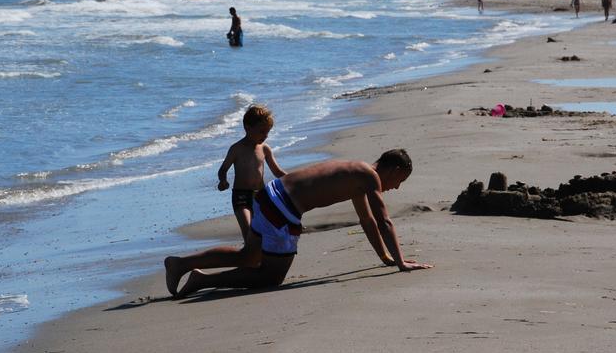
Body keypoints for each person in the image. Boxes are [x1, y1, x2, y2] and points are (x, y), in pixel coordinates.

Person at [164, 149, 430, 298]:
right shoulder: (369, 178)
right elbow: (384, 220)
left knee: (249, 255)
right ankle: (200, 282)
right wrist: (401, 262)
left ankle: (182, 264)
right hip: (283, 209)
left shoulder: (357, 172)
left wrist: (385, 255)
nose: (395, 188)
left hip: (270, 194)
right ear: (394, 170)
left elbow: (368, 221)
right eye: (400, 181)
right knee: (271, 277)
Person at [218, 105, 287, 242]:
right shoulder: (236, 149)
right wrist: (223, 180)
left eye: (267, 132)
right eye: (261, 132)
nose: (265, 136)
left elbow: (277, 171)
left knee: (264, 229)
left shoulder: (265, 149)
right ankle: (249, 257)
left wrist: (293, 179)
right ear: (247, 127)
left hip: (260, 195)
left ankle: (260, 256)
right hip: (241, 196)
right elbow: (223, 168)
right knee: (248, 229)